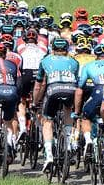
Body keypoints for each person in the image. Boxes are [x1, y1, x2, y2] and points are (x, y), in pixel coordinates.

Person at [33, 37, 80, 172]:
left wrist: (35, 102)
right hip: (70, 90)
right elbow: (77, 81)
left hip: (53, 90)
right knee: (68, 110)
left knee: (47, 121)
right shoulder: (74, 61)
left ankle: (49, 155)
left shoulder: (45, 60)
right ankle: (68, 143)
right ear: (66, 49)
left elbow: (39, 85)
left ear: (52, 49)